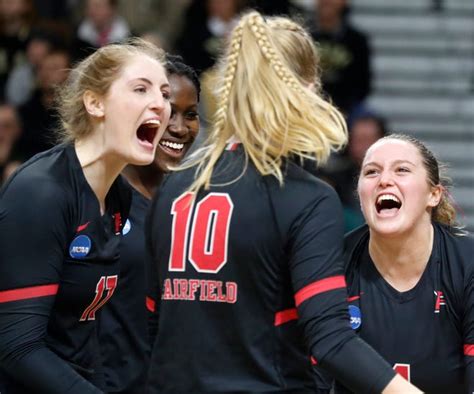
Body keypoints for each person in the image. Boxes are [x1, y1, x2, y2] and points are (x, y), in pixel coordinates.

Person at [145, 11, 420, 393]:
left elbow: (152, 323)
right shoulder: (306, 198)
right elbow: (331, 339)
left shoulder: (174, 189)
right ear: (306, 89)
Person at [0, 38, 171, 393]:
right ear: (94, 103)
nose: (160, 103)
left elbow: (82, 333)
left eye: (164, 93)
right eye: (141, 89)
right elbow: (17, 346)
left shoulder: (119, 194)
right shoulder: (40, 192)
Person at [330, 134, 474, 393]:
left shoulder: (467, 263)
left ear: (434, 195)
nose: (384, 180)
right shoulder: (333, 264)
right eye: (371, 172)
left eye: (402, 170)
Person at [99, 55, 200, 394]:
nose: (180, 128)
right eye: (171, 111)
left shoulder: (202, 202)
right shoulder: (101, 194)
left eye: (191, 114)